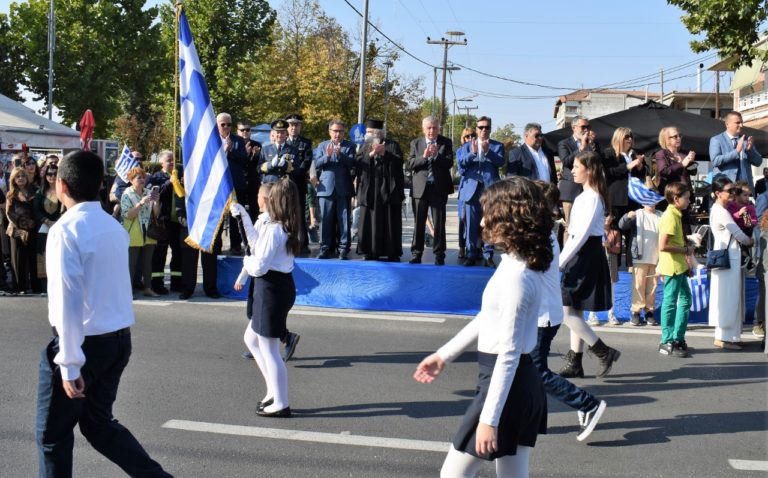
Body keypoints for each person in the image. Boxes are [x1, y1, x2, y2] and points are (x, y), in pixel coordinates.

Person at [35, 150, 171, 478]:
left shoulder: (65, 230)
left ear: (60, 185)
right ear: (100, 185)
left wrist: (68, 363)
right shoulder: (113, 228)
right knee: (98, 426)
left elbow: (66, 299)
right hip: (117, 339)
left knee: (52, 437)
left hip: (84, 344)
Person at [413, 177, 551, 477]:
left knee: (453, 474)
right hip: (518, 383)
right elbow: (487, 318)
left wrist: (490, 419)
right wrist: (443, 355)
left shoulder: (517, 276)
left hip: (506, 385)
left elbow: (509, 354)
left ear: (509, 218)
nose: (483, 218)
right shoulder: (515, 263)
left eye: (489, 210)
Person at [531, 179, 608, 442]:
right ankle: (533, 422)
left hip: (542, 314)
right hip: (540, 312)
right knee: (528, 370)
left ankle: (587, 403)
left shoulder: (540, 235)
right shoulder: (539, 231)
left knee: (535, 370)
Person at [231, 179, 300, 417]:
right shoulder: (277, 225)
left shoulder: (274, 229)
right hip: (273, 288)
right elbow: (256, 244)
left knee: (269, 349)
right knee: (251, 339)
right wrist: (243, 217)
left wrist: (245, 262)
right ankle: (273, 391)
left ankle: (281, 402)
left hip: (272, 289)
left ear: (273, 200)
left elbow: (258, 265)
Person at [557, 152, 621, 379]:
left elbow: (581, 234)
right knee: (575, 308)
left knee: (565, 310)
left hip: (584, 254)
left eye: (576, 166)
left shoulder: (592, 197)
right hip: (582, 253)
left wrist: (561, 261)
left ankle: (603, 351)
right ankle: (576, 361)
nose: (572, 171)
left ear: (590, 170)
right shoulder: (585, 196)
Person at [708, 176, 754, 350]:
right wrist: (750, 241)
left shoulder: (722, 209)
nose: (734, 194)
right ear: (718, 193)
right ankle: (724, 337)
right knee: (728, 296)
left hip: (730, 256)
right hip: (729, 257)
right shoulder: (721, 211)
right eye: (730, 191)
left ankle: (732, 336)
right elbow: (737, 233)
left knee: (732, 296)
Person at [456, 116, 505, 268]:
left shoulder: (497, 146)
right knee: (470, 224)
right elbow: (461, 167)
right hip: (471, 190)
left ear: (490, 129)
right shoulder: (465, 147)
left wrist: (487, 151)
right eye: (481, 127)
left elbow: (500, 162)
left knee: (489, 224)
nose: (484, 130)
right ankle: (471, 254)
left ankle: (488, 255)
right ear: (476, 129)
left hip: (490, 190)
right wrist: (472, 154)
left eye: (487, 127)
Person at [355, 119, 405, 261]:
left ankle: (392, 252)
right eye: (367, 133)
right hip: (370, 190)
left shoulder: (392, 145)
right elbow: (357, 164)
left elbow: (399, 163)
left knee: (390, 222)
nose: (368, 135)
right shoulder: (365, 146)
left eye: (370, 133)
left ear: (378, 133)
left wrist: (385, 154)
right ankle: (369, 251)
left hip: (388, 190)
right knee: (368, 222)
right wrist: (370, 155)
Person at [407, 116, 454, 265]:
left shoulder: (445, 142)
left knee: (439, 223)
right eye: (429, 128)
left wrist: (436, 156)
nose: (431, 131)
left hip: (438, 189)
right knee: (419, 223)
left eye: (434, 128)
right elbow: (410, 164)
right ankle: (416, 253)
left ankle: (439, 254)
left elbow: (449, 163)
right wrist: (424, 156)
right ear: (423, 129)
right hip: (420, 189)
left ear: (438, 128)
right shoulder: (416, 143)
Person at [656, 182, 694, 357]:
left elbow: (676, 242)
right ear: (676, 198)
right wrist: (685, 251)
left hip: (678, 266)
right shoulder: (670, 216)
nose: (689, 201)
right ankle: (667, 340)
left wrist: (686, 261)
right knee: (671, 302)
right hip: (672, 267)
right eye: (686, 198)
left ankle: (677, 337)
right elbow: (663, 246)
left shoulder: (676, 214)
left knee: (685, 299)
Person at [603, 127, 647, 268]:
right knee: (615, 234)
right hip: (616, 200)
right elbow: (609, 172)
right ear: (619, 138)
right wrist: (628, 166)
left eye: (631, 137)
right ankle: (613, 267)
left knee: (632, 234)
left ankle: (630, 267)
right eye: (626, 137)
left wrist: (640, 168)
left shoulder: (635, 154)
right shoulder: (609, 153)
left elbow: (642, 175)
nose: (630, 139)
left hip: (633, 200)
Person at [313, 119, 356, 260]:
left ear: (343, 132)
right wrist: (328, 156)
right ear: (330, 132)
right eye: (335, 131)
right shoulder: (322, 145)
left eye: (340, 131)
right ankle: (325, 248)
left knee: (344, 220)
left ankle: (343, 248)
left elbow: (352, 164)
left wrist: (340, 155)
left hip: (343, 188)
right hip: (326, 188)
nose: (337, 134)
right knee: (325, 219)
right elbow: (317, 164)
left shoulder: (349, 146)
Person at [618, 201, 662, 326]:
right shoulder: (637, 213)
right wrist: (627, 216)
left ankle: (649, 312)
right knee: (638, 285)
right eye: (647, 200)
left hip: (657, 257)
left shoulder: (661, 215)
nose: (651, 202)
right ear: (642, 202)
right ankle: (636, 312)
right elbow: (622, 225)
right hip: (639, 256)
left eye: (653, 199)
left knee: (652, 287)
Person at [120, 167, 160, 298]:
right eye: (139, 178)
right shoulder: (126, 194)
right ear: (131, 180)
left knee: (147, 263)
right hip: (133, 233)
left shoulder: (148, 192)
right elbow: (128, 215)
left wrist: (156, 202)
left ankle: (148, 288)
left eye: (143, 177)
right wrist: (141, 203)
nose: (142, 180)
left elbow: (156, 213)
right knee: (131, 264)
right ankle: (128, 291)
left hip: (149, 233)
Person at [557, 116, 601, 233]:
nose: (586, 130)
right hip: (571, 189)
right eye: (583, 127)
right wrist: (580, 148)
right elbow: (566, 161)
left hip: (589, 187)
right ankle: (568, 250)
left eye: (588, 127)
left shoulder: (592, 143)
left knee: (587, 225)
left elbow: (598, 161)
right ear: (574, 128)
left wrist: (591, 145)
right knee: (570, 227)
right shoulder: (564, 143)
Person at [147, 151, 182, 294]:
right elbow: (155, 194)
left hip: (177, 220)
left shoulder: (178, 175)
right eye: (168, 160)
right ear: (161, 163)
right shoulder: (156, 177)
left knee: (178, 253)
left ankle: (177, 283)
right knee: (160, 254)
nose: (172, 162)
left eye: (173, 160)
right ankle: (157, 284)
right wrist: (170, 182)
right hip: (163, 221)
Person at [709, 111, 763, 194]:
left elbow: (759, 162)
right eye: (737, 123)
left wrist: (750, 151)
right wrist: (736, 152)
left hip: (744, 189)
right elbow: (715, 161)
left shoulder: (746, 140)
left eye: (741, 122)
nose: (741, 125)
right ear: (727, 124)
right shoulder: (717, 140)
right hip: (727, 188)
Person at [6, 166, 40, 294]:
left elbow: (38, 210)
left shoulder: (35, 191)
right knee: (18, 262)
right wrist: (22, 225)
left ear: (27, 177)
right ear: (13, 179)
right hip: (17, 231)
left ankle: (37, 289)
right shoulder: (10, 194)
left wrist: (32, 224)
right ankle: (20, 289)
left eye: (23, 176)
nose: (21, 178)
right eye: (18, 176)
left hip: (33, 230)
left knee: (33, 261)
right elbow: (9, 214)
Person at [218, 113, 248, 254]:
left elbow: (244, 160)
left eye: (229, 124)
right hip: (218, 185)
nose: (226, 127)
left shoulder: (238, 140)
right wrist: (223, 150)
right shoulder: (212, 140)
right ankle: (216, 244)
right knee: (218, 215)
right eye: (223, 124)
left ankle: (236, 245)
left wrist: (231, 150)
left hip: (236, 184)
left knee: (236, 215)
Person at [286, 114, 314, 255]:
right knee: (285, 214)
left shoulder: (306, 142)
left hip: (299, 183)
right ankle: (286, 245)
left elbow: (307, 161)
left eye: (296, 125)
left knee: (300, 215)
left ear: (300, 127)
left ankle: (302, 244)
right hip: (285, 184)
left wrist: (294, 171)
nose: (293, 128)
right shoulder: (283, 142)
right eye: (291, 125)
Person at [34, 162, 62, 292]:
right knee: (43, 256)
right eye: (49, 174)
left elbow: (67, 208)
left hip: (60, 228)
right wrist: (47, 222)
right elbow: (36, 210)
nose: (52, 176)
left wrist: (57, 223)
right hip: (43, 229)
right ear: (45, 176)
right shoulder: (40, 192)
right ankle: (44, 287)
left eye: (55, 174)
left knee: (58, 256)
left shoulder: (63, 192)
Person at [726, 181, 758, 270]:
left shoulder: (750, 207)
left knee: (743, 239)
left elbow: (754, 219)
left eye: (749, 195)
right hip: (735, 229)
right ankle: (746, 258)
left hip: (746, 229)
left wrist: (751, 223)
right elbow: (729, 218)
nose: (748, 198)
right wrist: (739, 214)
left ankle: (746, 259)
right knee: (739, 240)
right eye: (745, 195)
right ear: (736, 195)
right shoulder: (731, 205)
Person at [654, 126, 695, 195]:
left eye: (679, 136)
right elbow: (664, 171)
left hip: (685, 194)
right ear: (667, 140)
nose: (679, 138)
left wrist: (691, 162)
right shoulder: (661, 154)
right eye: (675, 136)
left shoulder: (683, 154)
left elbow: (693, 172)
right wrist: (682, 164)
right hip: (670, 194)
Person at [457, 128, 476, 261]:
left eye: (472, 135)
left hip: (479, 190)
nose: (469, 138)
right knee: (463, 219)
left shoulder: (481, 148)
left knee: (476, 221)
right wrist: (471, 154)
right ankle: (462, 246)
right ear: (463, 139)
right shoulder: (460, 151)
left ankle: (476, 248)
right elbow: (461, 169)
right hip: (465, 189)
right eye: (466, 136)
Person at [259, 119, 297, 183]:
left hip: (285, 185)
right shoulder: (265, 149)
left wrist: (285, 165)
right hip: (270, 185)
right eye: (278, 132)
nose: (280, 135)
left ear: (286, 134)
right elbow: (258, 168)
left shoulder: (293, 150)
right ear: (273, 134)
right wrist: (270, 165)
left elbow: (297, 170)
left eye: (282, 132)